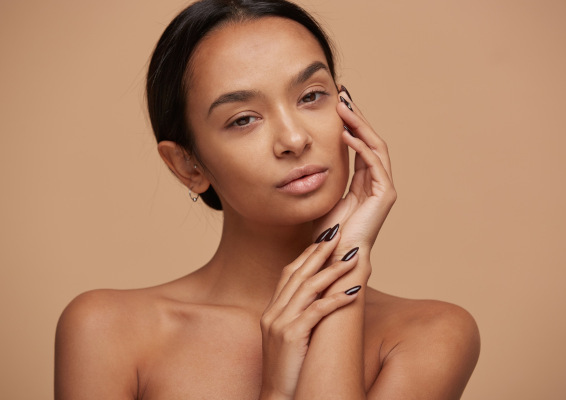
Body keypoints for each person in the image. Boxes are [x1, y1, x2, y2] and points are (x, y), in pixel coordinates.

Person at [54, 0, 480, 398]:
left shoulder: (431, 333)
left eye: (311, 96)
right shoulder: (106, 330)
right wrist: (276, 391)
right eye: (244, 119)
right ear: (188, 165)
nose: (294, 139)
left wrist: (343, 268)